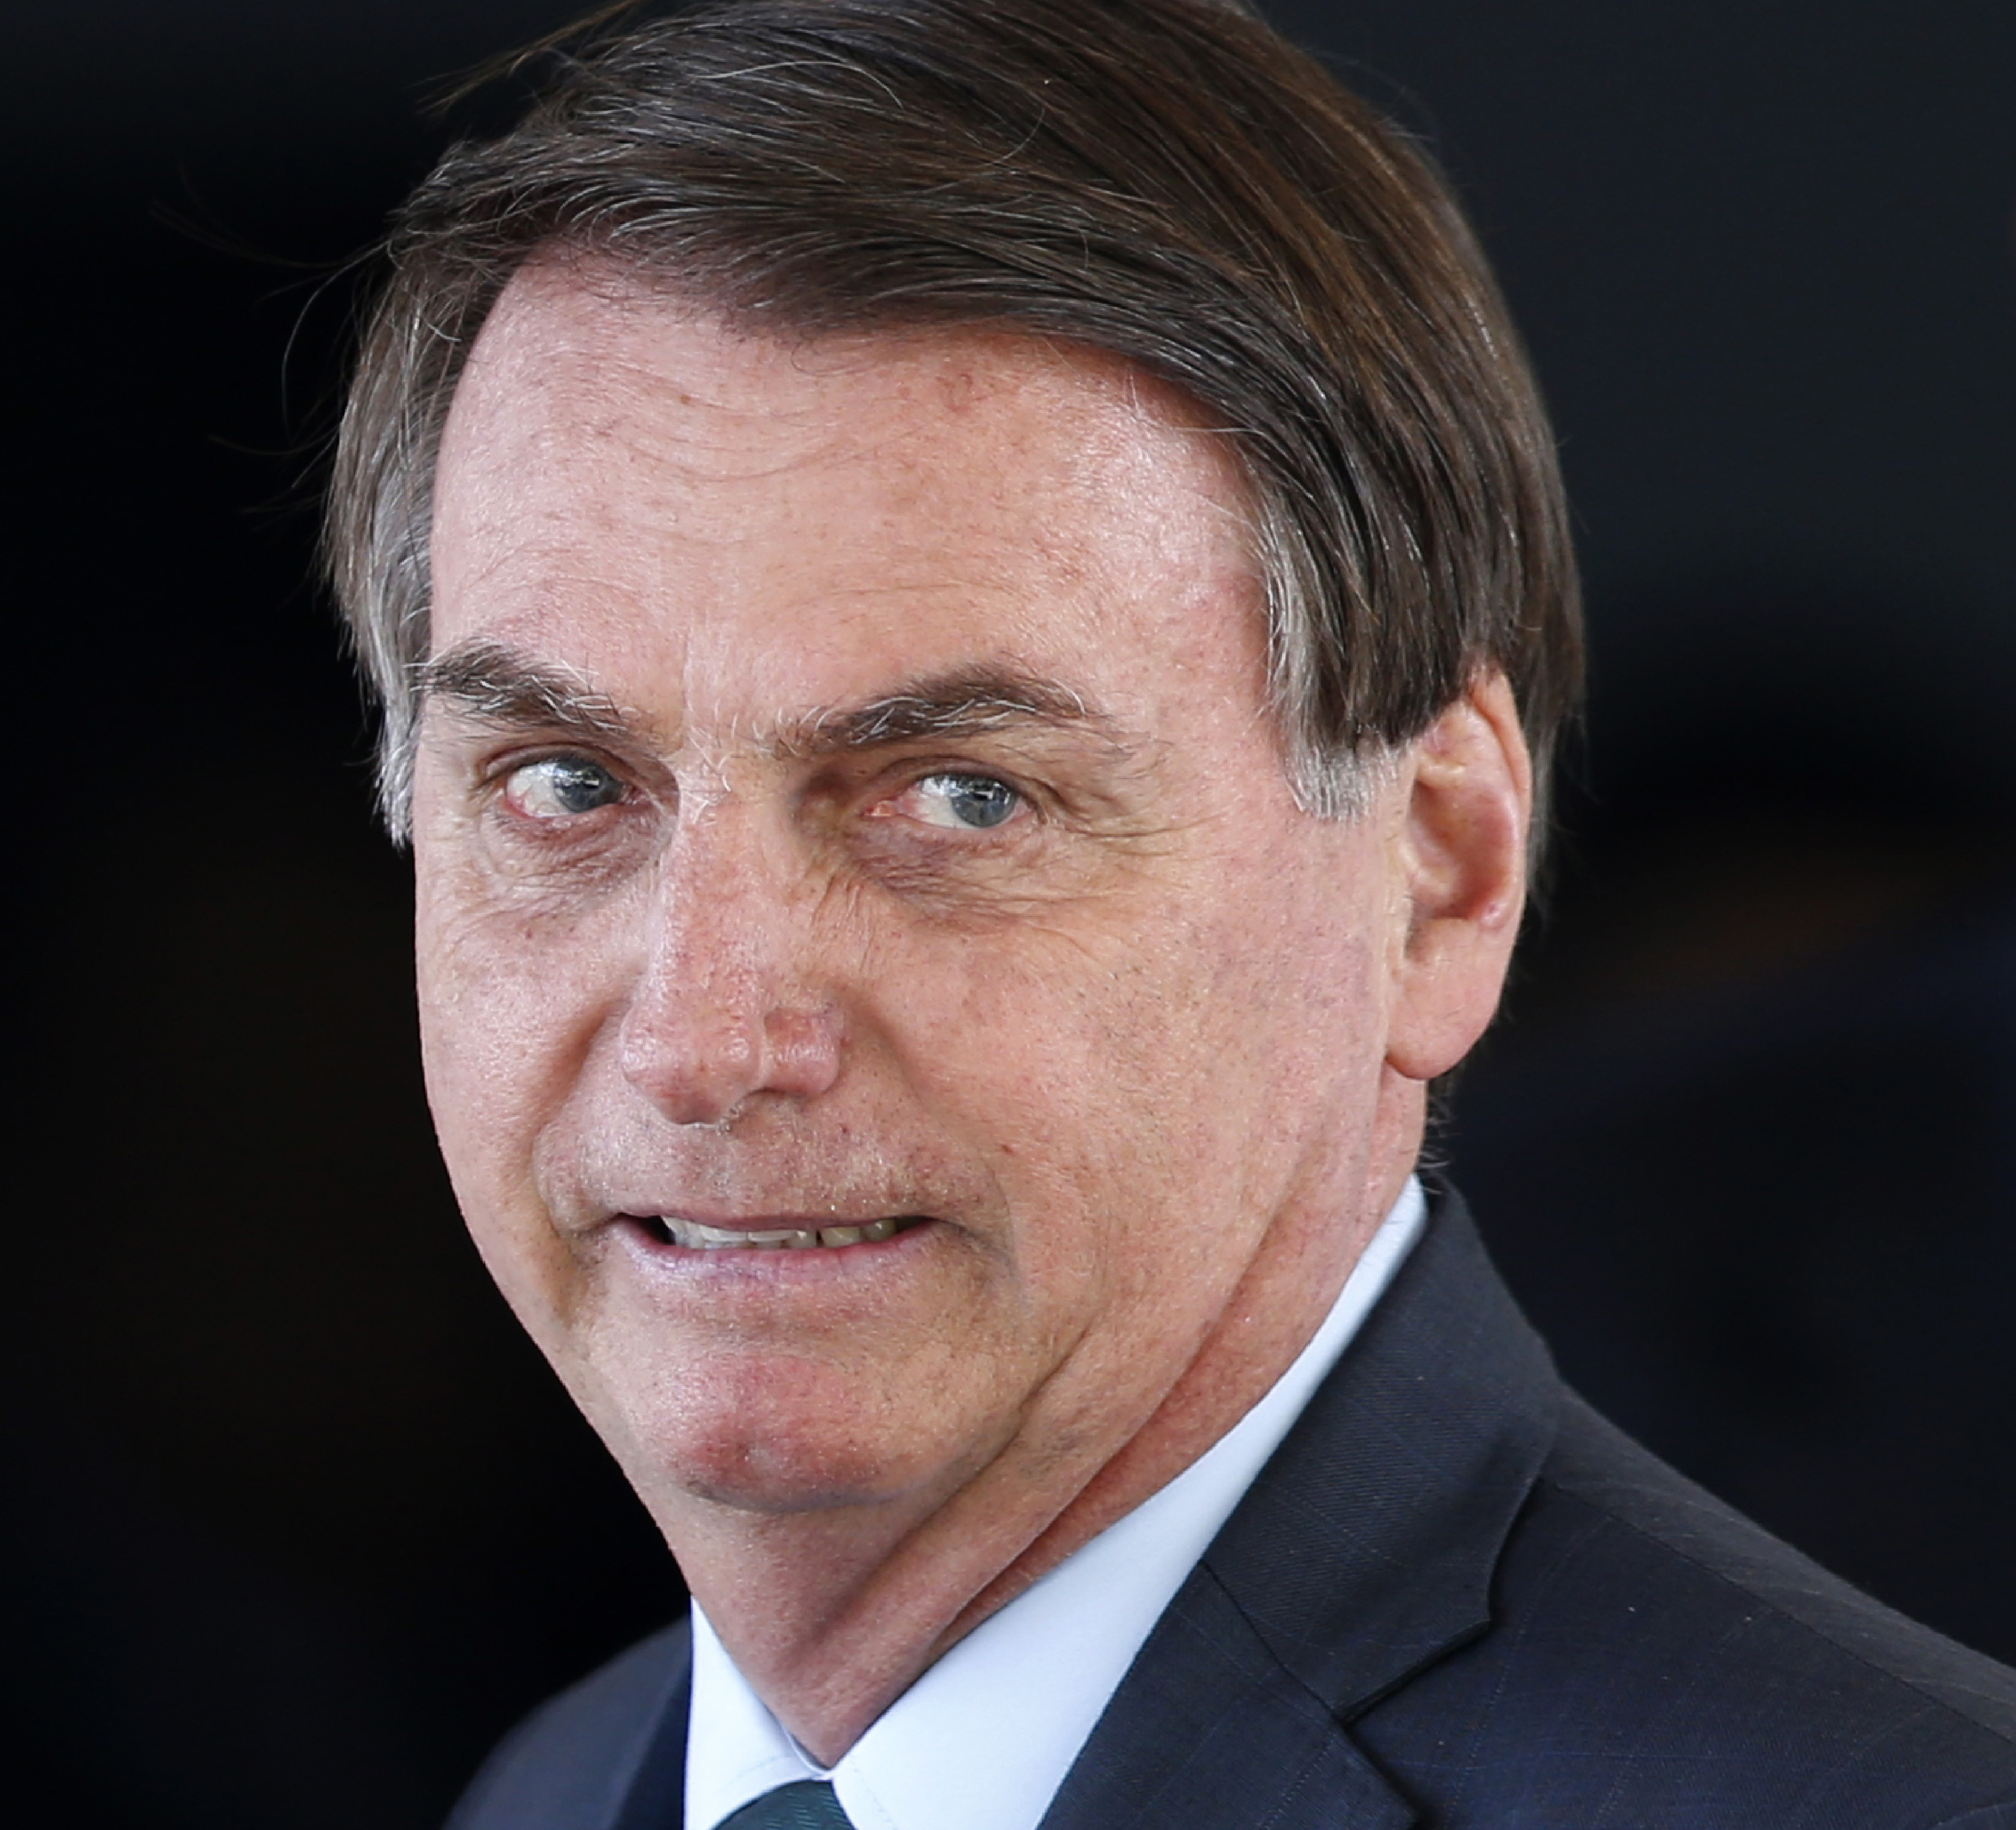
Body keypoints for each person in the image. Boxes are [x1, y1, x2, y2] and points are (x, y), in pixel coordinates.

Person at [318, 1, 2016, 1823]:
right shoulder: (563, 1791)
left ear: (1438, 874)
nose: (703, 1041)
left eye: (965, 796)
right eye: (567, 785)